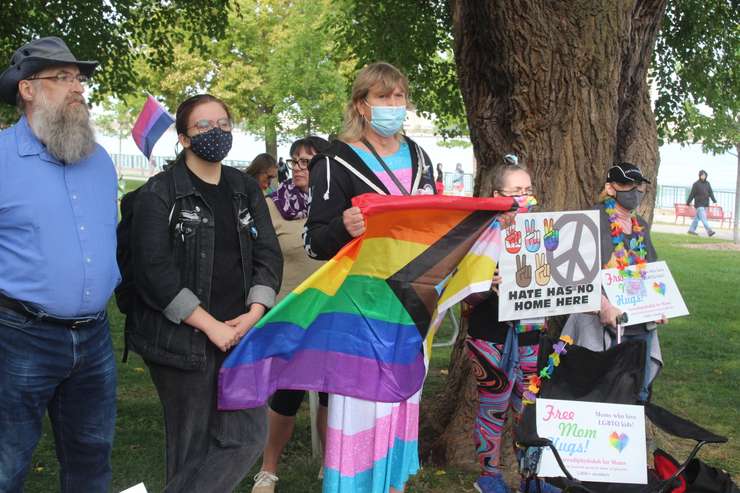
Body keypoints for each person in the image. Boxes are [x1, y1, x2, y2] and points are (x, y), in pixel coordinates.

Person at [128, 94, 282, 492]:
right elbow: (153, 272)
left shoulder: (244, 188)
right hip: (183, 340)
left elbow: (268, 252)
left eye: (224, 124)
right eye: (203, 126)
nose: (217, 132)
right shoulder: (160, 193)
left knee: (248, 437)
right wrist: (208, 325)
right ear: (183, 138)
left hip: (239, 334)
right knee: (191, 449)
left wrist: (255, 310)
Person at [304, 62, 436, 493]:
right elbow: (314, 242)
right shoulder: (334, 160)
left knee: (402, 401)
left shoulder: (420, 156)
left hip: (412, 306)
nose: (394, 105)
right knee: (360, 410)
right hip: (359, 310)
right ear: (362, 105)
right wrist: (345, 226)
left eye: (399, 97)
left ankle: (393, 485)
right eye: (383, 97)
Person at [0, 37, 120, 492]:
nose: (77, 87)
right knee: (7, 462)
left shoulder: (100, 160)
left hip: (94, 337)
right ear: (27, 90)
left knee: (92, 459)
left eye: (79, 78)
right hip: (20, 337)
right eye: (62, 77)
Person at [463, 164, 559, 493]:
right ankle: (488, 478)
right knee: (493, 408)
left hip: (531, 332)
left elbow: (564, 273)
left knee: (529, 409)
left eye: (526, 189)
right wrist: (483, 283)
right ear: (496, 195)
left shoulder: (545, 230)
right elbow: (462, 292)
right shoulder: (479, 234)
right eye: (515, 191)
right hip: (490, 335)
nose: (523, 197)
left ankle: (533, 480)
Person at [252, 136, 329, 493]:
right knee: (285, 395)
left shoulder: (338, 206)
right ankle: (268, 470)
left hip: (332, 314)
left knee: (332, 394)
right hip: (289, 315)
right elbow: (261, 259)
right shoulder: (271, 206)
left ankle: (331, 464)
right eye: (295, 161)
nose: (299, 168)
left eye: (308, 162)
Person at [564, 162, 665, 403]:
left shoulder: (641, 226)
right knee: (600, 391)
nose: (634, 190)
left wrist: (660, 305)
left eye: (638, 185)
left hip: (640, 325)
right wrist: (603, 305)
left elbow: (650, 271)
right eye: (625, 184)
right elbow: (575, 273)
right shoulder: (591, 221)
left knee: (636, 391)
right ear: (610, 188)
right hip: (600, 325)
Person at [686, 169, 717, 237]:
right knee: (703, 218)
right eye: (702, 175)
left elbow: (711, 193)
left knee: (697, 218)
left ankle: (691, 230)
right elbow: (692, 194)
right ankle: (709, 231)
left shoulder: (707, 183)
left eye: (704, 175)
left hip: (705, 204)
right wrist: (688, 202)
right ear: (699, 176)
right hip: (699, 204)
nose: (703, 176)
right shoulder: (696, 184)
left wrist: (714, 201)